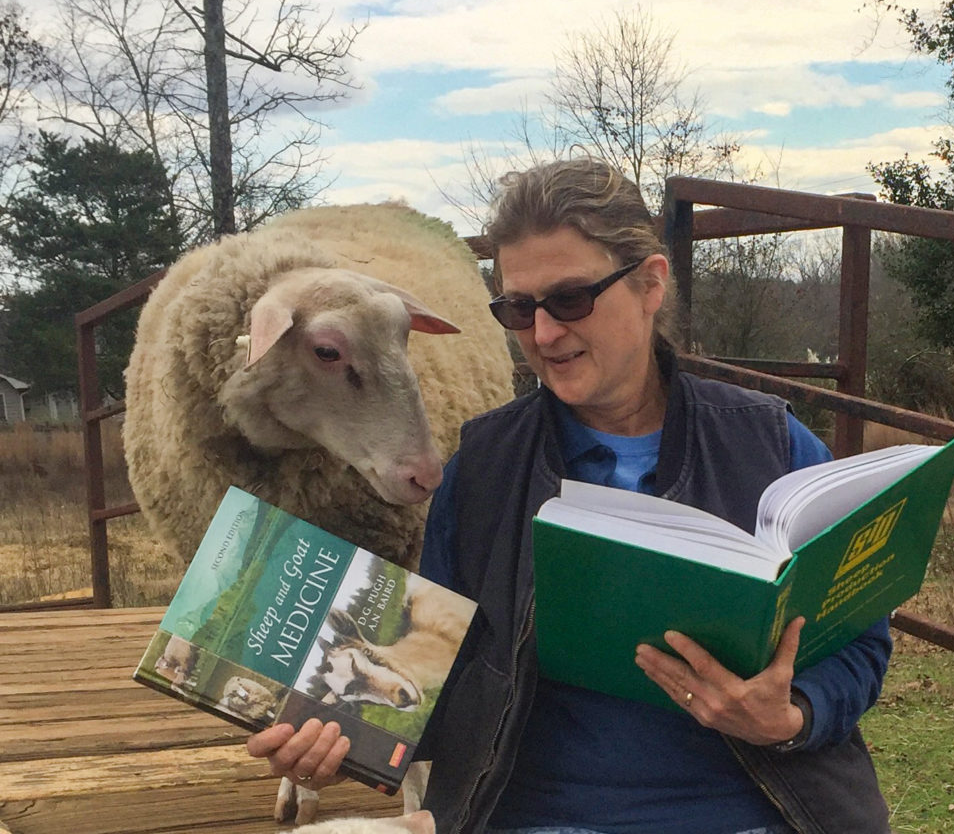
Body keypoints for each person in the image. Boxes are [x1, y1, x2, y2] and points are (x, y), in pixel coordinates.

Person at [248, 158, 893, 834]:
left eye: (570, 299)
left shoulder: (773, 448)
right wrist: (346, 730)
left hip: (753, 813)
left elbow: (859, 646)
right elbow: (442, 676)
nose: (545, 334)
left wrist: (794, 712)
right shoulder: (483, 474)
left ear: (650, 283)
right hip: (539, 816)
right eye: (519, 308)